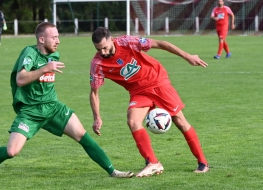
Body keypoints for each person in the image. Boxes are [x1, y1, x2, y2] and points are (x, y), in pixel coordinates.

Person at [0, 22, 133, 179]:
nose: (58, 41)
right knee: (12, 151)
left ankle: (113, 171)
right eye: (54, 37)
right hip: (30, 111)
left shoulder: (54, 55)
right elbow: (20, 79)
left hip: (53, 107)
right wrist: (44, 69)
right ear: (42, 39)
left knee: (82, 135)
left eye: (58, 37)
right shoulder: (30, 53)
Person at [89, 27, 209, 178]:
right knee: (132, 121)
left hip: (157, 81)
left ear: (111, 39)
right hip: (138, 92)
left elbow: (160, 43)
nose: (103, 53)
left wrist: (187, 56)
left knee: (180, 121)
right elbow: (94, 92)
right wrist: (97, 117)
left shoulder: (127, 42)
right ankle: (153, 163)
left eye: (105, 48)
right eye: (99, 50)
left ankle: (203, 163)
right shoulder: (97, 64)